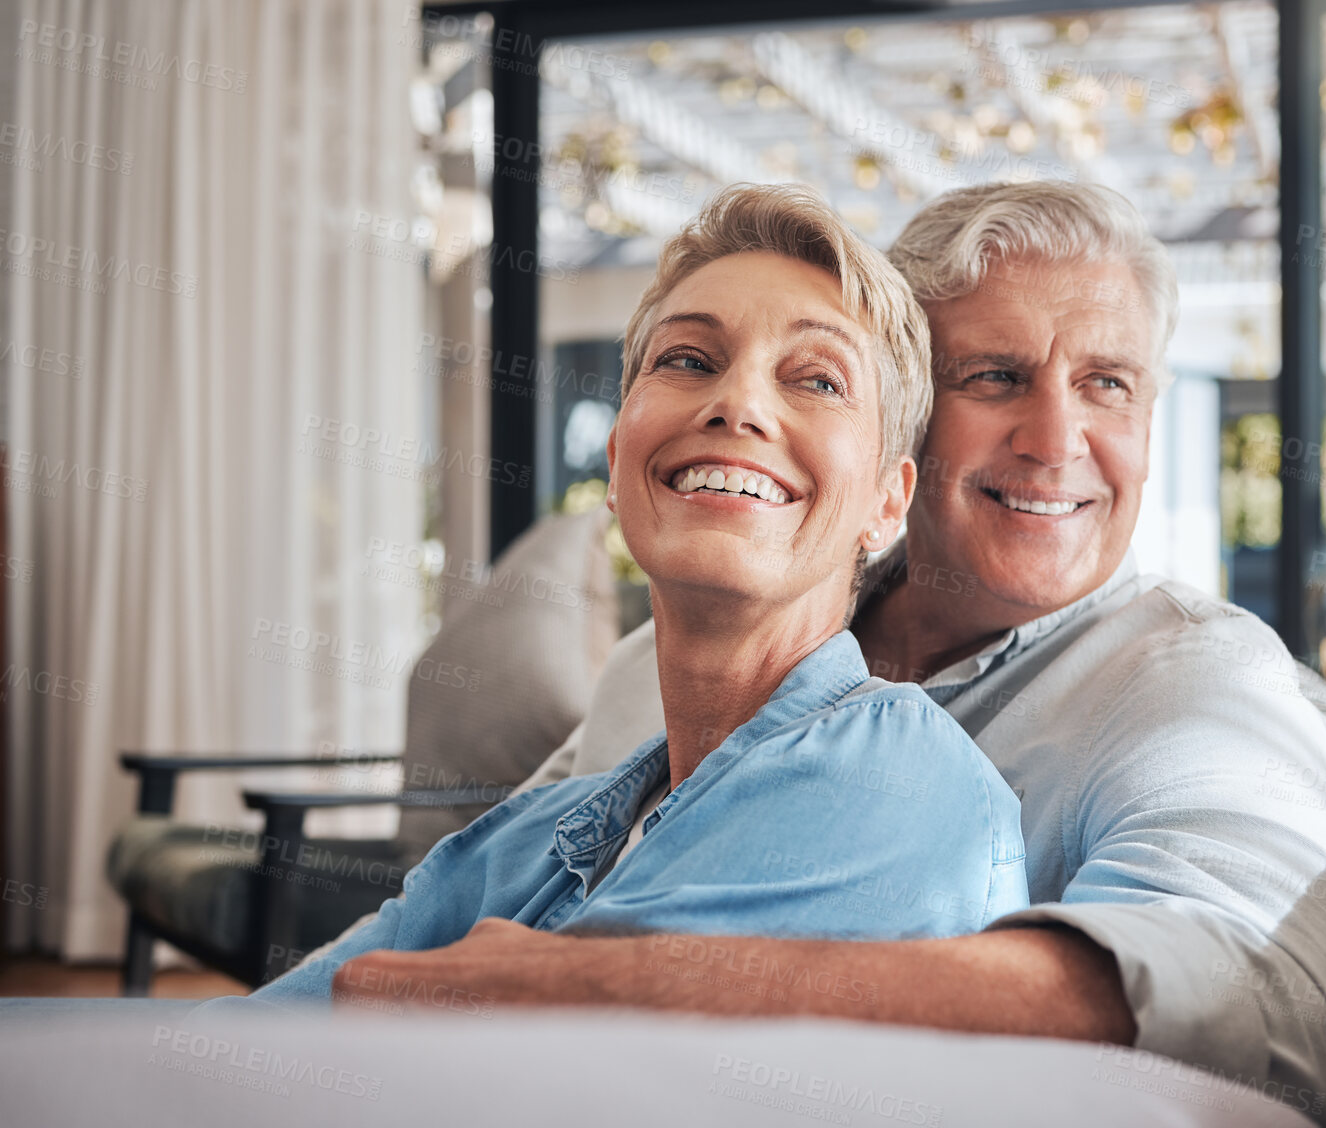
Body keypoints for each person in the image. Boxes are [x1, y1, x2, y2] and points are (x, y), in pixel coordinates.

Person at [329, 182, 1326, 1128]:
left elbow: (1265, 1005)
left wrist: (611, 987)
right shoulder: (649, 666)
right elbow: (496, 904)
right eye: (996, 375)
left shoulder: (1193, 683)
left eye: (1108, 384)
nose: (1056, 437)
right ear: (904, 430)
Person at [238, 184, 1029, 1003]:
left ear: (887, 502)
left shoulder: (900, 784)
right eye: (687, 360)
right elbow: (243, 1041)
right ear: (617, 461)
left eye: (819, 380)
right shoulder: (520, 840)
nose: (737, 403)